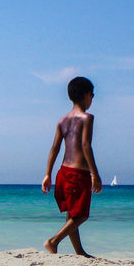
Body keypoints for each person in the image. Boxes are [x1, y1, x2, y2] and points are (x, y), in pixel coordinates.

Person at [42, 76, 102, 256]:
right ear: (86, 95)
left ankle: (80, 252)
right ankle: (53, 241)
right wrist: (95, 174)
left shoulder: (62, 120)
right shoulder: (87, 117)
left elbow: (54, 148)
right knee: (81, 215)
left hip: (63, 172)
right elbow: (85, 145)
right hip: (78, 173)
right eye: (92, 94)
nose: (92, 99)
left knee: (72, 215)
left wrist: (47, 174)